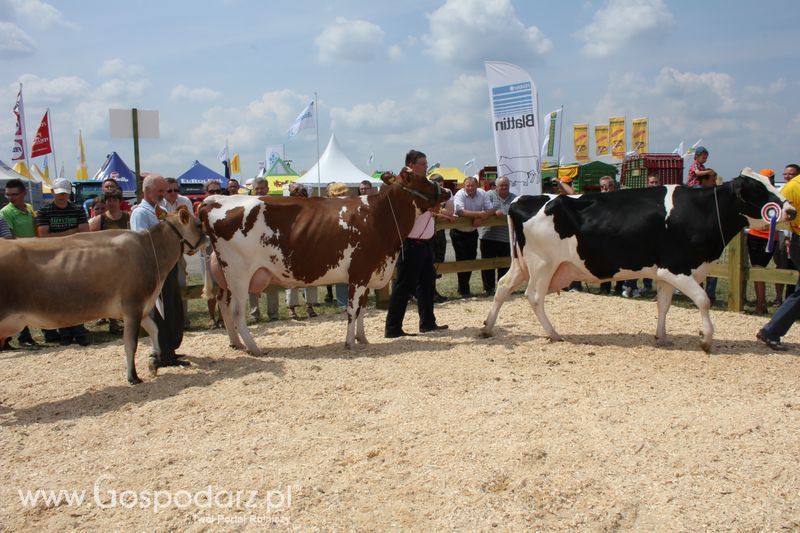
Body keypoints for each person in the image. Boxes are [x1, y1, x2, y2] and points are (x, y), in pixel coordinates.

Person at [385, 151, 448, 338]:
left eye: (426, 163)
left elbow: (444, 194)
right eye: (423, 163)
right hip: (410, 241)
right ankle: (393, 328)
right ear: (411, 165)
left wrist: (434, 205)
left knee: (427, 283)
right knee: (403, 286)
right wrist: (430, 206)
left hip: (425, 241)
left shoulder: (422, 184)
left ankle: (428, 323)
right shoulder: (403, 183)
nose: (426, 166)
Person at [130, 173, 189, 369]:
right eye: (160, 191)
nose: (164, 194)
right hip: (154, 269)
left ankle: (169, 349)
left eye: (165, 190)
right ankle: (163, 353)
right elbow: (141, 243)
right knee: (159, 311)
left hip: (168, 266)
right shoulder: (140, 213)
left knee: (172, 308)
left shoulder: (161, 210)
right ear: (147, 191)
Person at [35, 178, 91, 346]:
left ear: (69, 194)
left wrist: (59, 235)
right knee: (58, 295)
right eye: (58, 193)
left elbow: (85, 234)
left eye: (64, 193)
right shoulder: (44, 211)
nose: (61, 196)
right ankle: (65, 331)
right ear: (52, 192)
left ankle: (78, 329)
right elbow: (43, 236)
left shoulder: (78, 209)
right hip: (53, 258)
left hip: (74, 257)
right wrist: (71, 232)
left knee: (76, 294)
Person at [757, 162, 800, 351]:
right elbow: (772, 210)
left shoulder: (792, 186)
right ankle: (771, 330)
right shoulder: (793, 187)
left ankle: (772, 330)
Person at [0, 179, 40, 349]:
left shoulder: (29, 209)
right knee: (16, 299)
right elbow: (8, 239)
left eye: (14, 194)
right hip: (15, 260)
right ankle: (17, 337)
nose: (10, 198)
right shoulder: (5, 212)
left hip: (30, 258)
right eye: (8, 194)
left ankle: (23, 337)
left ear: (23, 193)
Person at [450, 176, 493, 296]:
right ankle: (464, 289)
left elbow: (490, 209)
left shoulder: (482, 193)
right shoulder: (459, 194)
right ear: (464, 186)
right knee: (462, 259)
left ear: (477, 186)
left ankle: (464, 287)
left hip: (472, 232)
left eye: (472, 185)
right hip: (458, 232)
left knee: (471, 258)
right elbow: (460, 212)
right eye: (467, 186)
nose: (469, 188)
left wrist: (480, 216)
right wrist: (480, 215)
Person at [283, 183, 319, 319]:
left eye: (302, 195)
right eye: (297, 195)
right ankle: (291, 308)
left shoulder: (312, 210)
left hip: (309, 246)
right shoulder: (287, 211)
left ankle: (310, 306)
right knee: (291, 278)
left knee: (311, 277)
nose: (300, 197)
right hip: (291, 247)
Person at [248, 177, 280, 321]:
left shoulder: (274, 204)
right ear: (253, 189)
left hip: (271, 246)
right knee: (252, 279)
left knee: (271, 278)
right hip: (252, 246)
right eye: (257, 188)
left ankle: (273, 313)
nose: (259, 191)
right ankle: (254, 313)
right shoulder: (247, 204)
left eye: (262, 188)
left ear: (267, 189)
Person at [746, 169, 778, 314]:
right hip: (754, 235)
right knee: (757, 269)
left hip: (769, 237)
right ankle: (761, 302)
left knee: (759, 269)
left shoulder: (775, 196)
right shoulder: (757, 196)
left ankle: (761, 304)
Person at [479, 176, 516, 295]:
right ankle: (488, 289)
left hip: (506, 237)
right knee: (487, 264)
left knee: (505, 265)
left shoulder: (514, 198)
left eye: (506, 185)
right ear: (496, 186)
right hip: (488, 236)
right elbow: (484, 208)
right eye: (501, 185)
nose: (504, 187)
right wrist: (493, 212)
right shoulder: (489, 194)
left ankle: (502, 288)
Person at [773, 164, 800, 304]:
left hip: (792, 234)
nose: (787, 176)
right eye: (785, 174)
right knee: (782, 265)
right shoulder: (782, 191)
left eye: (791, 174)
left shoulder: (792, 190)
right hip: (784, 234)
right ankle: (782, 298)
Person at [199, 180, 224, 328]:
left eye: (217, 191)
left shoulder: (225, 206)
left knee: (223, 284)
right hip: (208, 248)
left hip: (223, 248)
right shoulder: (201, 208)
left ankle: (222, 317)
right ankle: (211, 317)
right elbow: (200, 229)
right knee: (209, 283)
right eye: (212, 191)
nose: (215, 194)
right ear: (206, 193)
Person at [429, 174, 456, 302]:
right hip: (428, 234)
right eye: (436, 184)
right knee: (429, 264)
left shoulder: (447, 194)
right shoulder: (427, 195)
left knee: (439, 263)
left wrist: (440, 213)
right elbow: (430, 211)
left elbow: (451, 210)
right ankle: (430, 293)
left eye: (441, 184)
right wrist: (444, 215)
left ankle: (433, 292)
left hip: (440, 234)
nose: (440, 187)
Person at [598, 176, 625, 295]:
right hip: (604, 235)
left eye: (607, 186)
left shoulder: (619, 200)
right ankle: (604, 288)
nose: (605, 189)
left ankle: (619, 287)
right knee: (604, 263)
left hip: (618, 234)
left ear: (613, 187)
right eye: (602, 187)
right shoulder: (598, 201)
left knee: (620, 262)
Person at [327, 182, 351, 311]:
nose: (343, 196)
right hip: (335, 245)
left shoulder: (350, 207)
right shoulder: (329, 208)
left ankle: (352, 302)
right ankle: (342, 304)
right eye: (339, 194)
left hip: (350, 244)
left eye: (344, 193)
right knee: (341, 275)